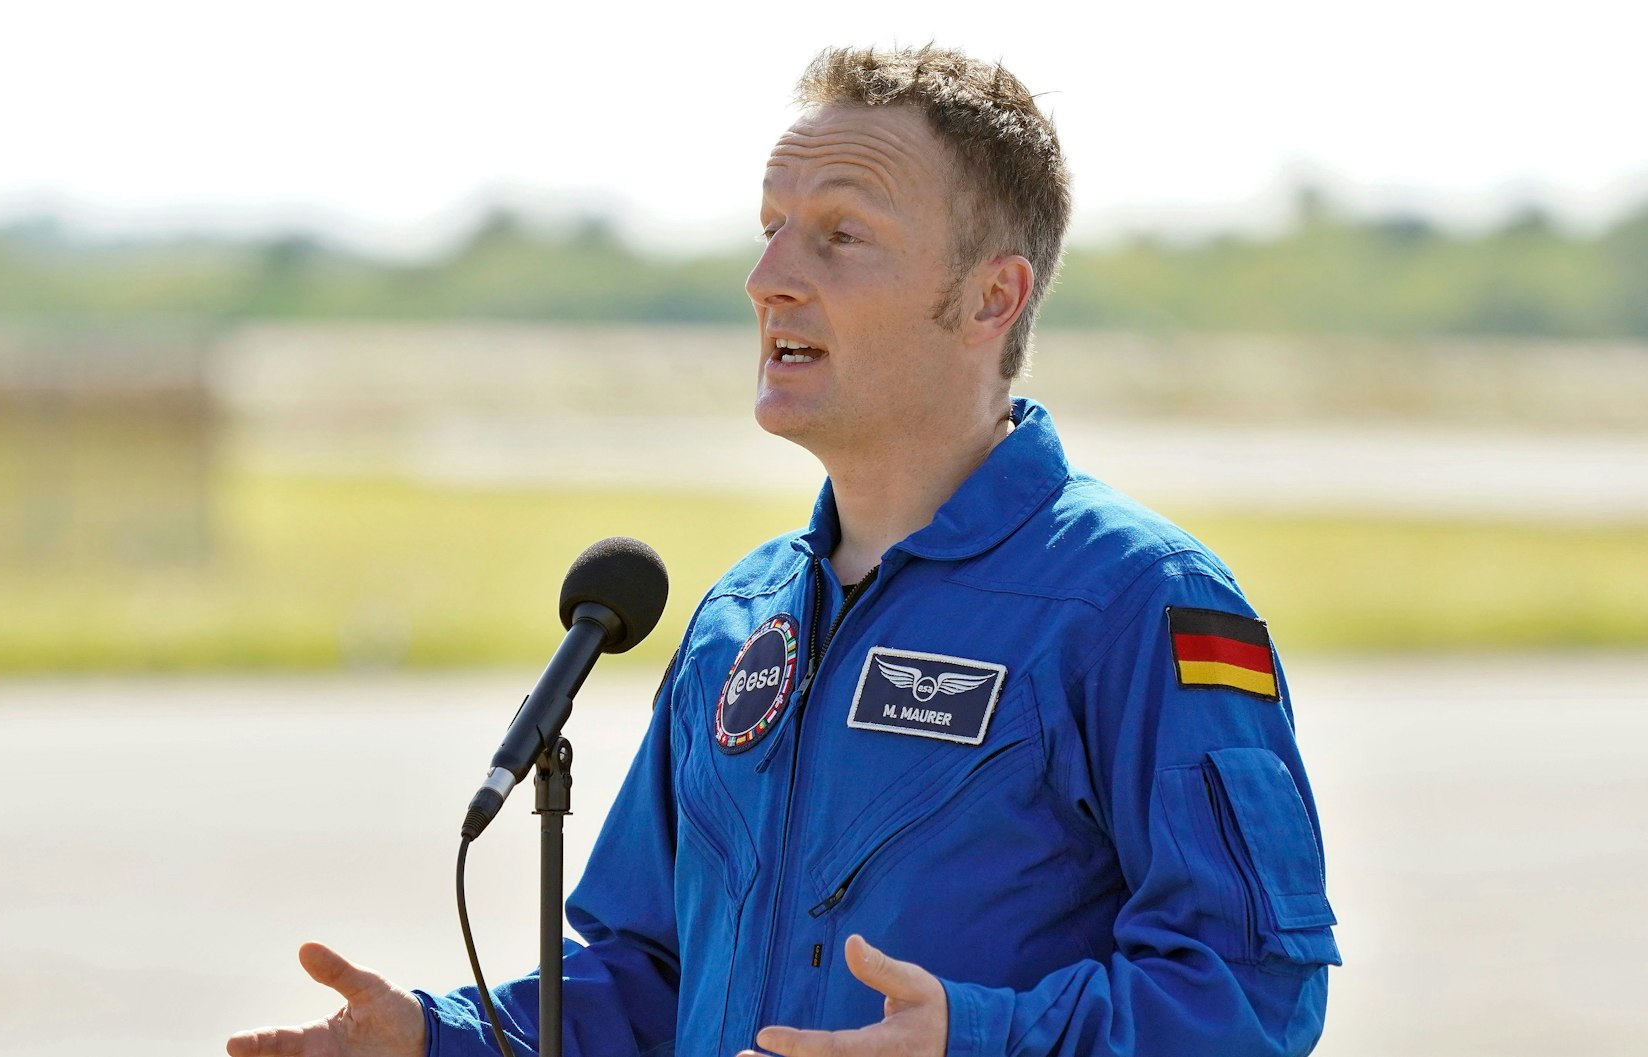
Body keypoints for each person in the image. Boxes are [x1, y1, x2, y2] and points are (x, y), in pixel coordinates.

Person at [227, 44, 1339, 1057]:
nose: (769, 278)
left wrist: (977, 1039)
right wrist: (440, 1039)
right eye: (770, 227)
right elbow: (650, 981)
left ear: (990, 298)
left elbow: (1253, 995)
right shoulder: (738, 617)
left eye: (840, 236)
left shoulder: (1139, 602)